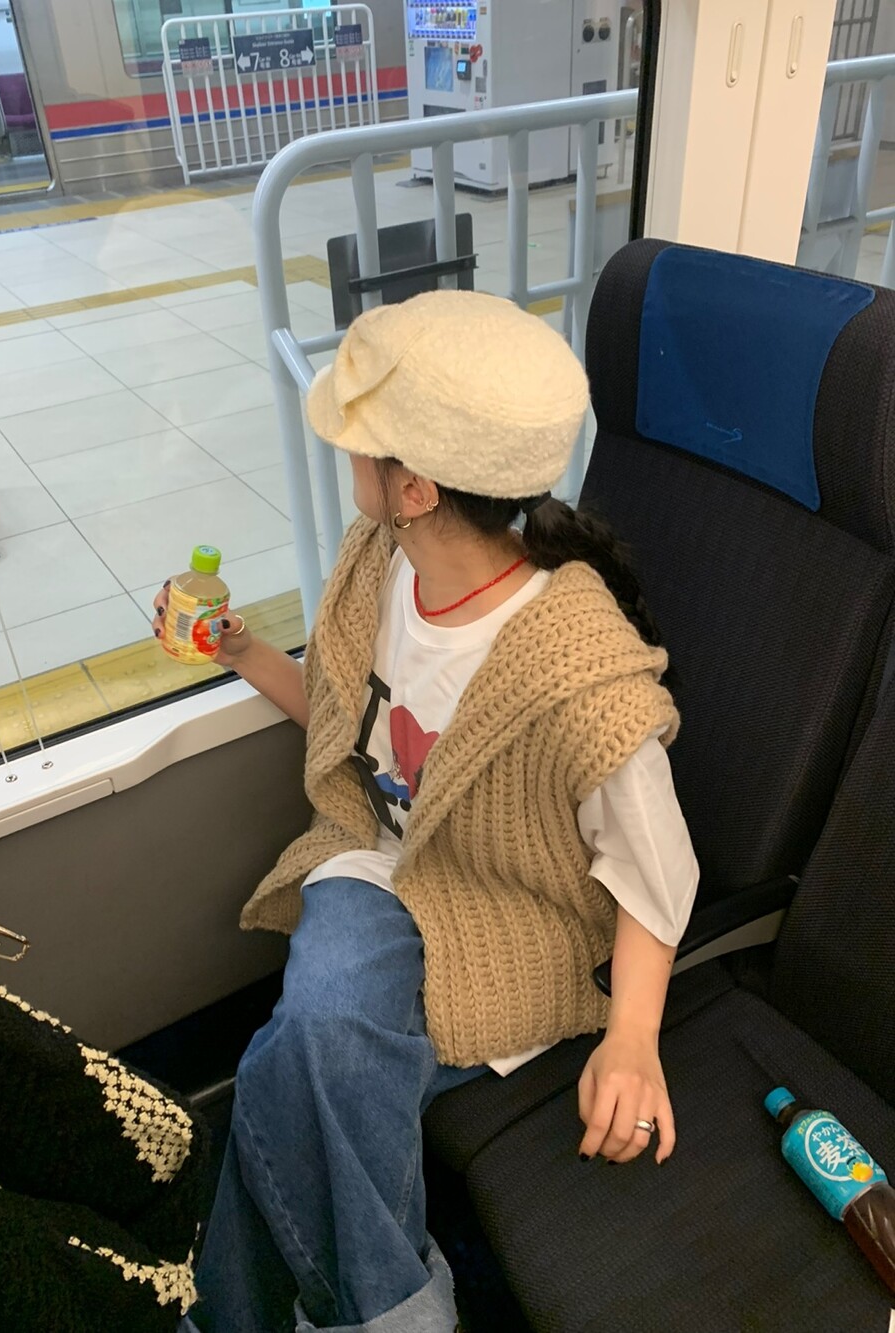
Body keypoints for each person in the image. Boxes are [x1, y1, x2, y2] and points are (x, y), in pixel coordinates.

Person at [155, 289, 700, 1333]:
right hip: (381, 863)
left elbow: (654, 867)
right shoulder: (383, 563)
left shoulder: (575, 671)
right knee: (320, 1044)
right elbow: (349, 720)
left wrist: (634, 1037)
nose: (344, 461)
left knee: (293, 1062)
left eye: (360, 448)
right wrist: (242, 650)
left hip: (509, 911)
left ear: (412, 486)